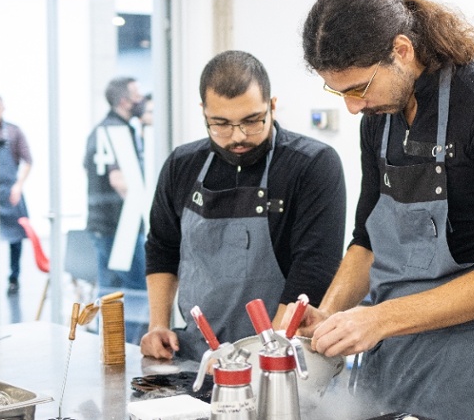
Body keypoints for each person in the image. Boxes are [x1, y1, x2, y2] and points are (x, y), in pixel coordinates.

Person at [281, 0, 474, 420]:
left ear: (402, 50)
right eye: (339, 93)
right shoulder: (379, 118)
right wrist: (328, 318)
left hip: (472, 370)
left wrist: (379, 319)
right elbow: (367, 239)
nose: (351, 107)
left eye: (359, 87)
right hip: (387, 368)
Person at [140, 50, 346, 362]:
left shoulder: (311, 164)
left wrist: (266, 355)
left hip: (282, 357)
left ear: (272, 106)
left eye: (252, 121)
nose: (238, 136)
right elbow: (162, 248)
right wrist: (158, 325)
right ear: (203, 113)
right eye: (220, 124)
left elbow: (314, 268)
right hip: (198, 356)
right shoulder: (182, 165)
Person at [84, 76, 148, 342]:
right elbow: (119, 180)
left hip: (106, 225)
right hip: (120, 226)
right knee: (133, 293)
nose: (141, 99)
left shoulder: (101, 130)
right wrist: (143, 212)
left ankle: (109, 351)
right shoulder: (118, 131)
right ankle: (128, 350)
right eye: (136, 94)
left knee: (110, 293)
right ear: (124, 101)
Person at [0, 95, 32, 296]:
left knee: (15, 238)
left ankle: (13, 277)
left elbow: (28, 160)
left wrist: (18, 185)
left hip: (10, 192)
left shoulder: (13, 132)